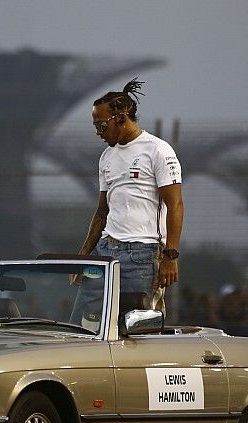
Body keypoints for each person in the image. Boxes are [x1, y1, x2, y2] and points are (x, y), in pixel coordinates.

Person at [72, 78, 184, 326]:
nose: (98, 132)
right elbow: (102, 212)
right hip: (105, 250)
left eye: (101, 125)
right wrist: (83, 256)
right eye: (95, 126)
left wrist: (170, 256)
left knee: (135, 330)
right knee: (82, 325)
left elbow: (175, 205)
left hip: (142, 255)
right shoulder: (106, 156)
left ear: (121, 118)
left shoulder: (157, 150)